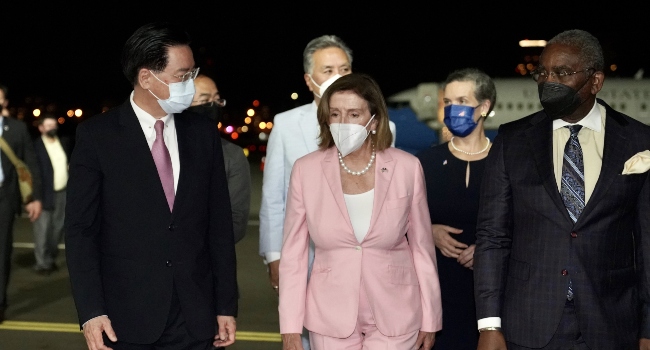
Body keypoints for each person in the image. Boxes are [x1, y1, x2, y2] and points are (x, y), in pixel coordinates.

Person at [64, 22, 238, 350]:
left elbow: (219, 225)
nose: (190, 83)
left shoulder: (202, 133)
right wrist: (91, 311)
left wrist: (226, 305)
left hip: (195, 317)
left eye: (192, 73)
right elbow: (80, 231)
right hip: (124, 318)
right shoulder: (98, 137)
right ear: (147, 78)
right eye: (182, 75)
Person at [474, 29, 650, 350]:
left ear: (595, 81)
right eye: (543, 73)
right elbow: (492, 237)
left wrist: (648, 328)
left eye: (562, 73)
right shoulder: (512, 141)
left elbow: (647, 243)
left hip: (612, 324)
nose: (548, 81)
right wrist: (488, 324)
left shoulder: (639, 141)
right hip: (529, 323)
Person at [279, 73, 442, 350]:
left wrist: (431, 316)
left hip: (397, 312)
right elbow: (293, 256)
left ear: (374, 121)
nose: (343, 123)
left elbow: (422, 248)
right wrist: (290, 328)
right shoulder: (306, 171)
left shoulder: (407, 168)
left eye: (354, 114)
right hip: (330, 314)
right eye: (335, 114)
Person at [416, 67, 495, 350]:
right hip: (437, 296)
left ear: (484, 107)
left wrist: (489, 250)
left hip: (491, 300)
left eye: (462, 101)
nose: (452, 110)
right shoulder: (425, 163)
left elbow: (526, 225)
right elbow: (401, 223)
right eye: (448, 102)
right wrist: (430, 231)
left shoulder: (505, 163)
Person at [188, 74, 250, 244]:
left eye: (217, 99)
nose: (213, 106)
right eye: (205, 100)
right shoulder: (162, 149)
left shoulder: (232, 155)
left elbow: (236, 221)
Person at [0, 83, 42, 323]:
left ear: (4, 102)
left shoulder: (16, 129)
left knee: (2, 252)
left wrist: (34, 198)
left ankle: (0, 302)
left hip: (4, 198)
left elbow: (31, 163)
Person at [32, 113, 71, 275]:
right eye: (48, 125)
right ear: (41, 128)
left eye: (53, 124)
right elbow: (34, 173)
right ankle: (41, 263)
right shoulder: (36, 146)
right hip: (44, 194)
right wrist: (35, 198)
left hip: (62, 192)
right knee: (43, 229)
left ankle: (50, 258)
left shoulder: (63, 143)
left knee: (58, 228)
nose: (51, 128)